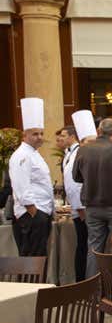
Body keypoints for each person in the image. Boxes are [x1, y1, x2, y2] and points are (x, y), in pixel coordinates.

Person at [73, 117, 112, 278]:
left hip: (92, 206)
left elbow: (76, 177)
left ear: (98, 131)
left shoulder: (83, 149)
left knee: (94, 247)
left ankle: (93, 287)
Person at [9, 98, 54, 256]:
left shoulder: (34, 154)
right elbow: (21, 186)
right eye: (35, 134)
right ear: (24, 135)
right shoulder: (21, 155)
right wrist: (34, 211)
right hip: (32, 214)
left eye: (41, 133)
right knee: (31, 258)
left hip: (40, 213)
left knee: (39, 257)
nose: (40, 137)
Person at [67, 110, 97, 281]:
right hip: (82, 212)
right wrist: (80, 210)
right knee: (84, 248)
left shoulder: (87, 155)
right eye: (90, 141)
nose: (94, 144)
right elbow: (73, 186)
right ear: (82, 142)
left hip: (86, 209)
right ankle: (82, 282)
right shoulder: (77, 157)